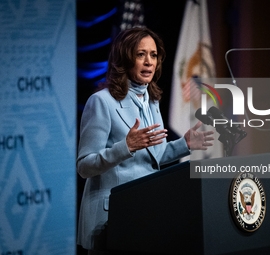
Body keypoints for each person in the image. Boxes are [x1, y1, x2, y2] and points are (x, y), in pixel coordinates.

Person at [76, 27, 214, 254]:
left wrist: (183, 146)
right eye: (141, 54)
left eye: (153, 55)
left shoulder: (152, 101)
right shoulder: (101, 102)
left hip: (146, 213)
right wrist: (125, 147)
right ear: (125, 58)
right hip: (112, 219)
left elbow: (153, 157)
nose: (149, 62)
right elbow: (84, 166)